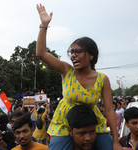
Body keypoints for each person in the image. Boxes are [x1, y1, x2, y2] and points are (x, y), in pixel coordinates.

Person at [36, 4, 121, 150]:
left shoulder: (102, 79)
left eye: (78, 51)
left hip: (92, 125)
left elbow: (109, 110)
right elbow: (41, 53)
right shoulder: (66, 70)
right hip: (64, 124)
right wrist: (44, 26)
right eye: (71, 52)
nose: (73, 55)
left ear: (91, 55)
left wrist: (115, 141)